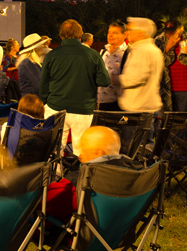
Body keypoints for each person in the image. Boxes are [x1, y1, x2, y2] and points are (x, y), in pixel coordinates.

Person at [40, 19, 110, 155]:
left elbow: (43, 84)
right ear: (80, 35)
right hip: (83, 108)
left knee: (55, 148)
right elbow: (104, 81)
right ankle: (79, 174)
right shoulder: (93, 54)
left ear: (61, 35)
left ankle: (56, 174)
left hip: (55, 107)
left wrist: (45, 103)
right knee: (81, 149)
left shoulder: (52, 55)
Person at [118, 18, 163, 113]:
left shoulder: (141, 50)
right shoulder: (153, 49)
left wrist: (115, 79)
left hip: (137, 108)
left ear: (140, 33)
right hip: (148, 106)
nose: (127, 33)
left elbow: (135, 78)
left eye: (130, 30)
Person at [96, 23, 128, 111]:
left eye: (115, 33)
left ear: (124, 35)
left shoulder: (128, 53)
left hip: (118, 105)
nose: (110, 35)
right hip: (101, 103)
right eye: (109, 32)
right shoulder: (103, 51)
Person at [158, 21, 187, 112]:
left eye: (176, 35)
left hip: (184, 89)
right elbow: (155, 62)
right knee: (167, 120)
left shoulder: (185, 42)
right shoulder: (159, 41)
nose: (173, 38)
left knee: (182, 121)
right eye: (169, 35)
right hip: (165, 89)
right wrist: (166, 48)